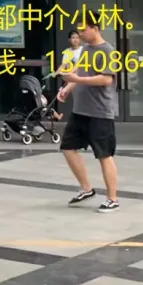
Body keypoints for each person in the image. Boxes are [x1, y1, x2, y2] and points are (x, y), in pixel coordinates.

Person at [56, 19, 120, 212]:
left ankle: (112, 199)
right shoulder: (85, 50)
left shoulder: (108, 51)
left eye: (83, 30)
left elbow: (106, 79)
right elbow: (80, 70)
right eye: (79, 31)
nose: (80, 34)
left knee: (104, 154)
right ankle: (86, 189)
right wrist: (67, 88)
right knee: (68, 148)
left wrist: (77, 79)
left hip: (100, 112)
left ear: (95, 28)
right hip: (80, 110)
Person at [52, 29, 84, 122]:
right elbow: (64, 64)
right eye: (73, 38)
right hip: (71, 78)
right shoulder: (67, 51)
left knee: (80, 99)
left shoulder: (83, 50)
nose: (75, 40)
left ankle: (64, 93)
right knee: (76, 99)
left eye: (77, 38)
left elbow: (79, 65)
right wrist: (57, 72)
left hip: (80, 77)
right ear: (69, 39)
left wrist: (70, 72)